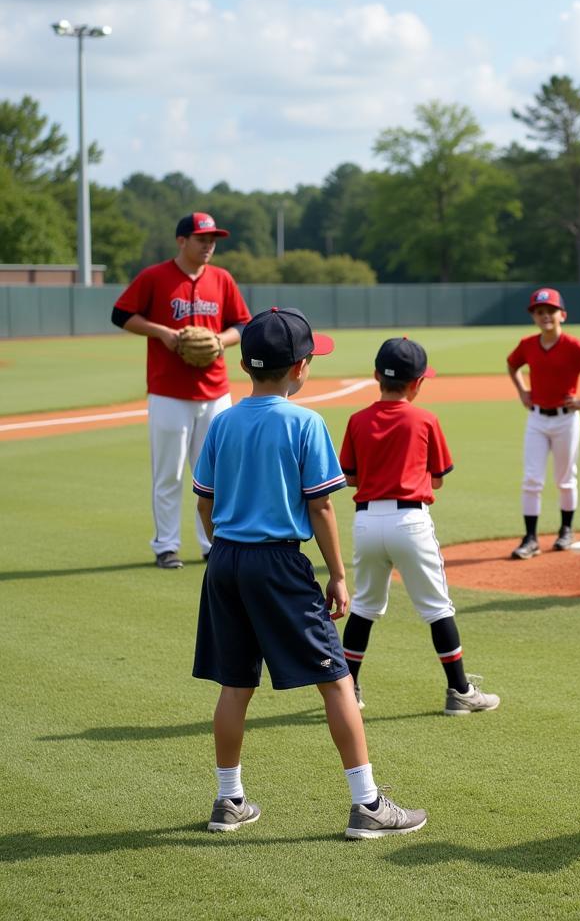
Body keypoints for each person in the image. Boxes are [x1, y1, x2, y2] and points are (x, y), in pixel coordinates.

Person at [192, 307, 427, 839]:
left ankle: (229, 799)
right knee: (337, 680)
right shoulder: (305, 422)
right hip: (277, 563)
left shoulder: (223, 420)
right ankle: (367, 805)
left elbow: (203, 501)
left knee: (235, 684)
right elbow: (320, 507)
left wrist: (223, 543)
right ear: (300, 368)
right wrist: (338, 575)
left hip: (226, 560)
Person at [339, 337, 500, 716]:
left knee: (365, 606)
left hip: (366, 520)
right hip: (410, 520)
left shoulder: (357, 419)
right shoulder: (425, 418)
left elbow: (349, 477)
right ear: (419, 382)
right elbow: (439, 477)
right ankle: (460, 692)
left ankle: (349, 690)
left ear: (376, 375)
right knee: (436, 608)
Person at [112, 212, 251, 569]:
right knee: (169, 473)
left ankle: (213, 543)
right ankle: (166, 546)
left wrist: (221, 339)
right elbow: (121, 314)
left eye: (213, 240)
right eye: (202, 239)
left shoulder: (221, 279)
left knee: (217, 473)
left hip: (216, 391)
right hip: (168, 391)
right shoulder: (155, 277)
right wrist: (162, 332)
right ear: (181, 241)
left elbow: (242, 324)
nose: (209, 246)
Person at [506, 287, 580, 559]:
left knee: (566, 479)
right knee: (532, 479)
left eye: (550, 312)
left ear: (562, 315)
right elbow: (512, 364)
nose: (545, 316)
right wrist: (522, 391)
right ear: (534, 316)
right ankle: (530, 538)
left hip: (566, 420)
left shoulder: (573, 346)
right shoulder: (527, 345)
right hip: (537, 418)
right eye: (539, 312)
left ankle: (566, 530)